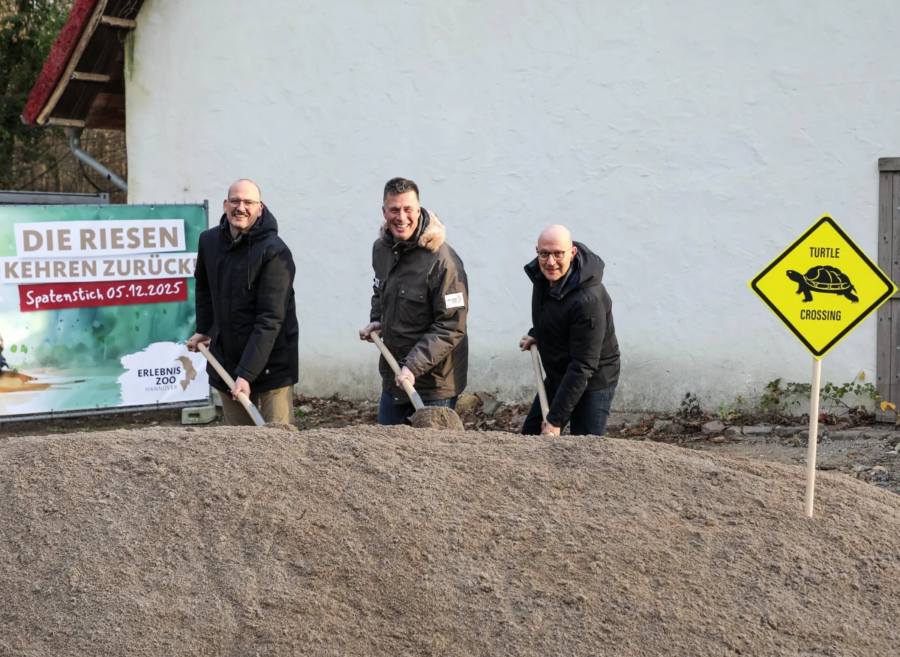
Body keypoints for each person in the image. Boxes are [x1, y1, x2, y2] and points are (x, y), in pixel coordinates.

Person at [187, 179, 299, 425]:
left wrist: (246, 374)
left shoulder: (275, 252)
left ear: (260, 209)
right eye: (235, 201)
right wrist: (204, 330)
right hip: (227, 361)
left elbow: (270, 319)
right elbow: (204, 287)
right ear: (225, 205)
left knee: (278, 443)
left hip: (273, 364)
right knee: (239, 447)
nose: (241, 207)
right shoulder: (209, 241)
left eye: (249, 202)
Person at [360, 177, 469, 424]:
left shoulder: (444, 262)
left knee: (431, 456)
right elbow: (380, 290)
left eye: (408, 209)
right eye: (394, 210)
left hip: (434, 384)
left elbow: (451, 326)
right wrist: (377, 320)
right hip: (395, 375)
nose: (401, 217)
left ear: (418, 210)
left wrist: (413, 366)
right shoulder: (382, 249)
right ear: (384, 211)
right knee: (387, 451)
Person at [519, 225, 620, 436]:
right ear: (537, 250)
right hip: (560, 374)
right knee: (530, 440)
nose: (550, 261)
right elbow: (554, 309)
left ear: (572, 253)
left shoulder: (587, 300)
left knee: (583, 451)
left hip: (591, 380)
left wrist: (555, 420)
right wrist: (537, 332)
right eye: (544, 253)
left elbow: (583, 364)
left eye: (558, 254)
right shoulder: (543, 276)